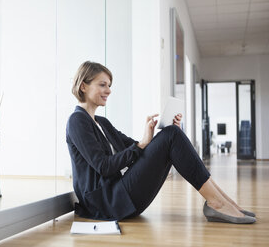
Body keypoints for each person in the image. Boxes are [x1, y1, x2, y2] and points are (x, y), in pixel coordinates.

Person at [66, 61, 256, 224]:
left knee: (172, 133)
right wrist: (144, 144)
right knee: (171, 135)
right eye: (103, 85)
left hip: (120, 196)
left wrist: (150, 135)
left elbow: (137, 149)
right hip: (107, 203)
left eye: (109, 85)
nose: (109, 90)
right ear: (84, 86)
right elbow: (104, 166)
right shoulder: (77, 121)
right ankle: (217, 204)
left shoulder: (102, 123)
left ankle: (224, 201)